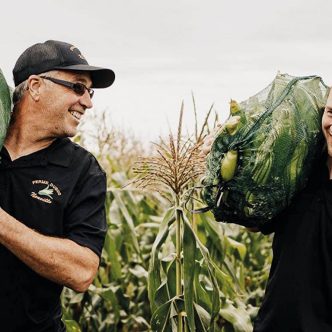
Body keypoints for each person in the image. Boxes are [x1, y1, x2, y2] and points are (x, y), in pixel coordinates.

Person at [0, 40, 115, 331]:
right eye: (77, 87)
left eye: (90, 92)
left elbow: (81, 271)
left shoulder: (82, 170)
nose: (88, 102)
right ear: (36, 87)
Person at [201, 91, 332, 331]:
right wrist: (223, 159)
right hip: (274, 323)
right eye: (331, 112)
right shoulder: (300, 170)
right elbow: (254, 222)